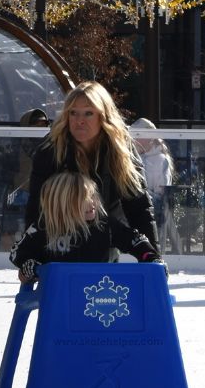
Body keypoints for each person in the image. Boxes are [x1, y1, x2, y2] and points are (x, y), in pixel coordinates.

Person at [23, 82, 158, 260]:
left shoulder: (120, 151)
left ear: (103, 116)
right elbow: (37, 206)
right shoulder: (51, 150)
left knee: (101, 282)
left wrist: (153, 258)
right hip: (58, 242)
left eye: (88, 113)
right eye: (73, 113)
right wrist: (31, 258)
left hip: (104, 237)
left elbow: (139, 207)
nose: (80, 121)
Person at [10, 171, 161, 282]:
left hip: (99, 293)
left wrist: (150, 257)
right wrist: (29, 265)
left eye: (93, 197)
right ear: (63, 205)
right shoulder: (44, 228)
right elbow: (18, 252)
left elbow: (134, 240)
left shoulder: (103, 225)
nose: (92, 203)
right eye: (84, 199)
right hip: (58, 297)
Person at [131, 118, 181, 254]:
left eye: (138, 136)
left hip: (155, 206)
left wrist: (150, 196)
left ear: (149, 139)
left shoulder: (160, 160)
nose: (134, 140)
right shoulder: (134, 157)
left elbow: (162, 187)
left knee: (157, 236)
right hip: (138, 203)